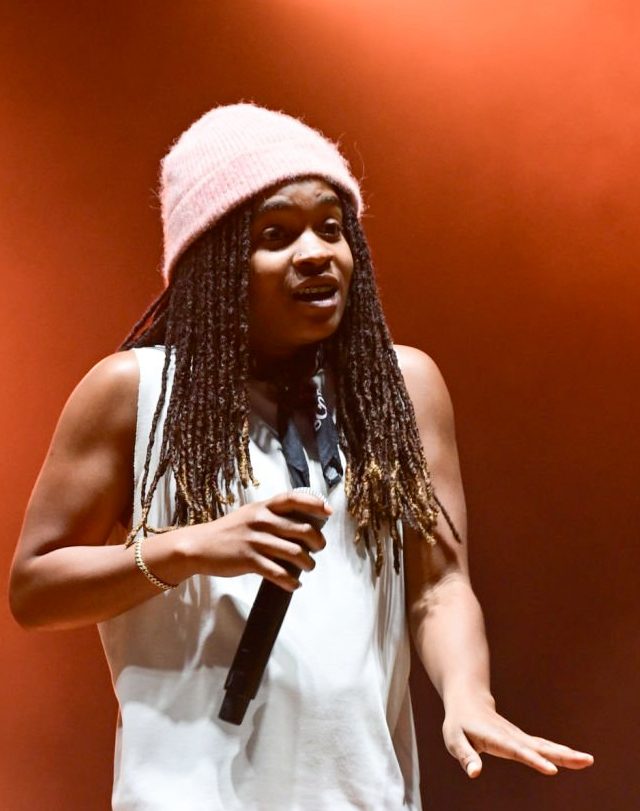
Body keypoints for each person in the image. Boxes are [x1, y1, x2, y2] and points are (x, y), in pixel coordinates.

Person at [9, 103, 593, 810]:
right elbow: (34, 588)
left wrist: (470, 695)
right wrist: (187, 547)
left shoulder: (401, 389)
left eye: (332, 227)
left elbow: (439, 585)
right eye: (276, 235)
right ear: (214, 265)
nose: (316, 252)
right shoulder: (134, 392)